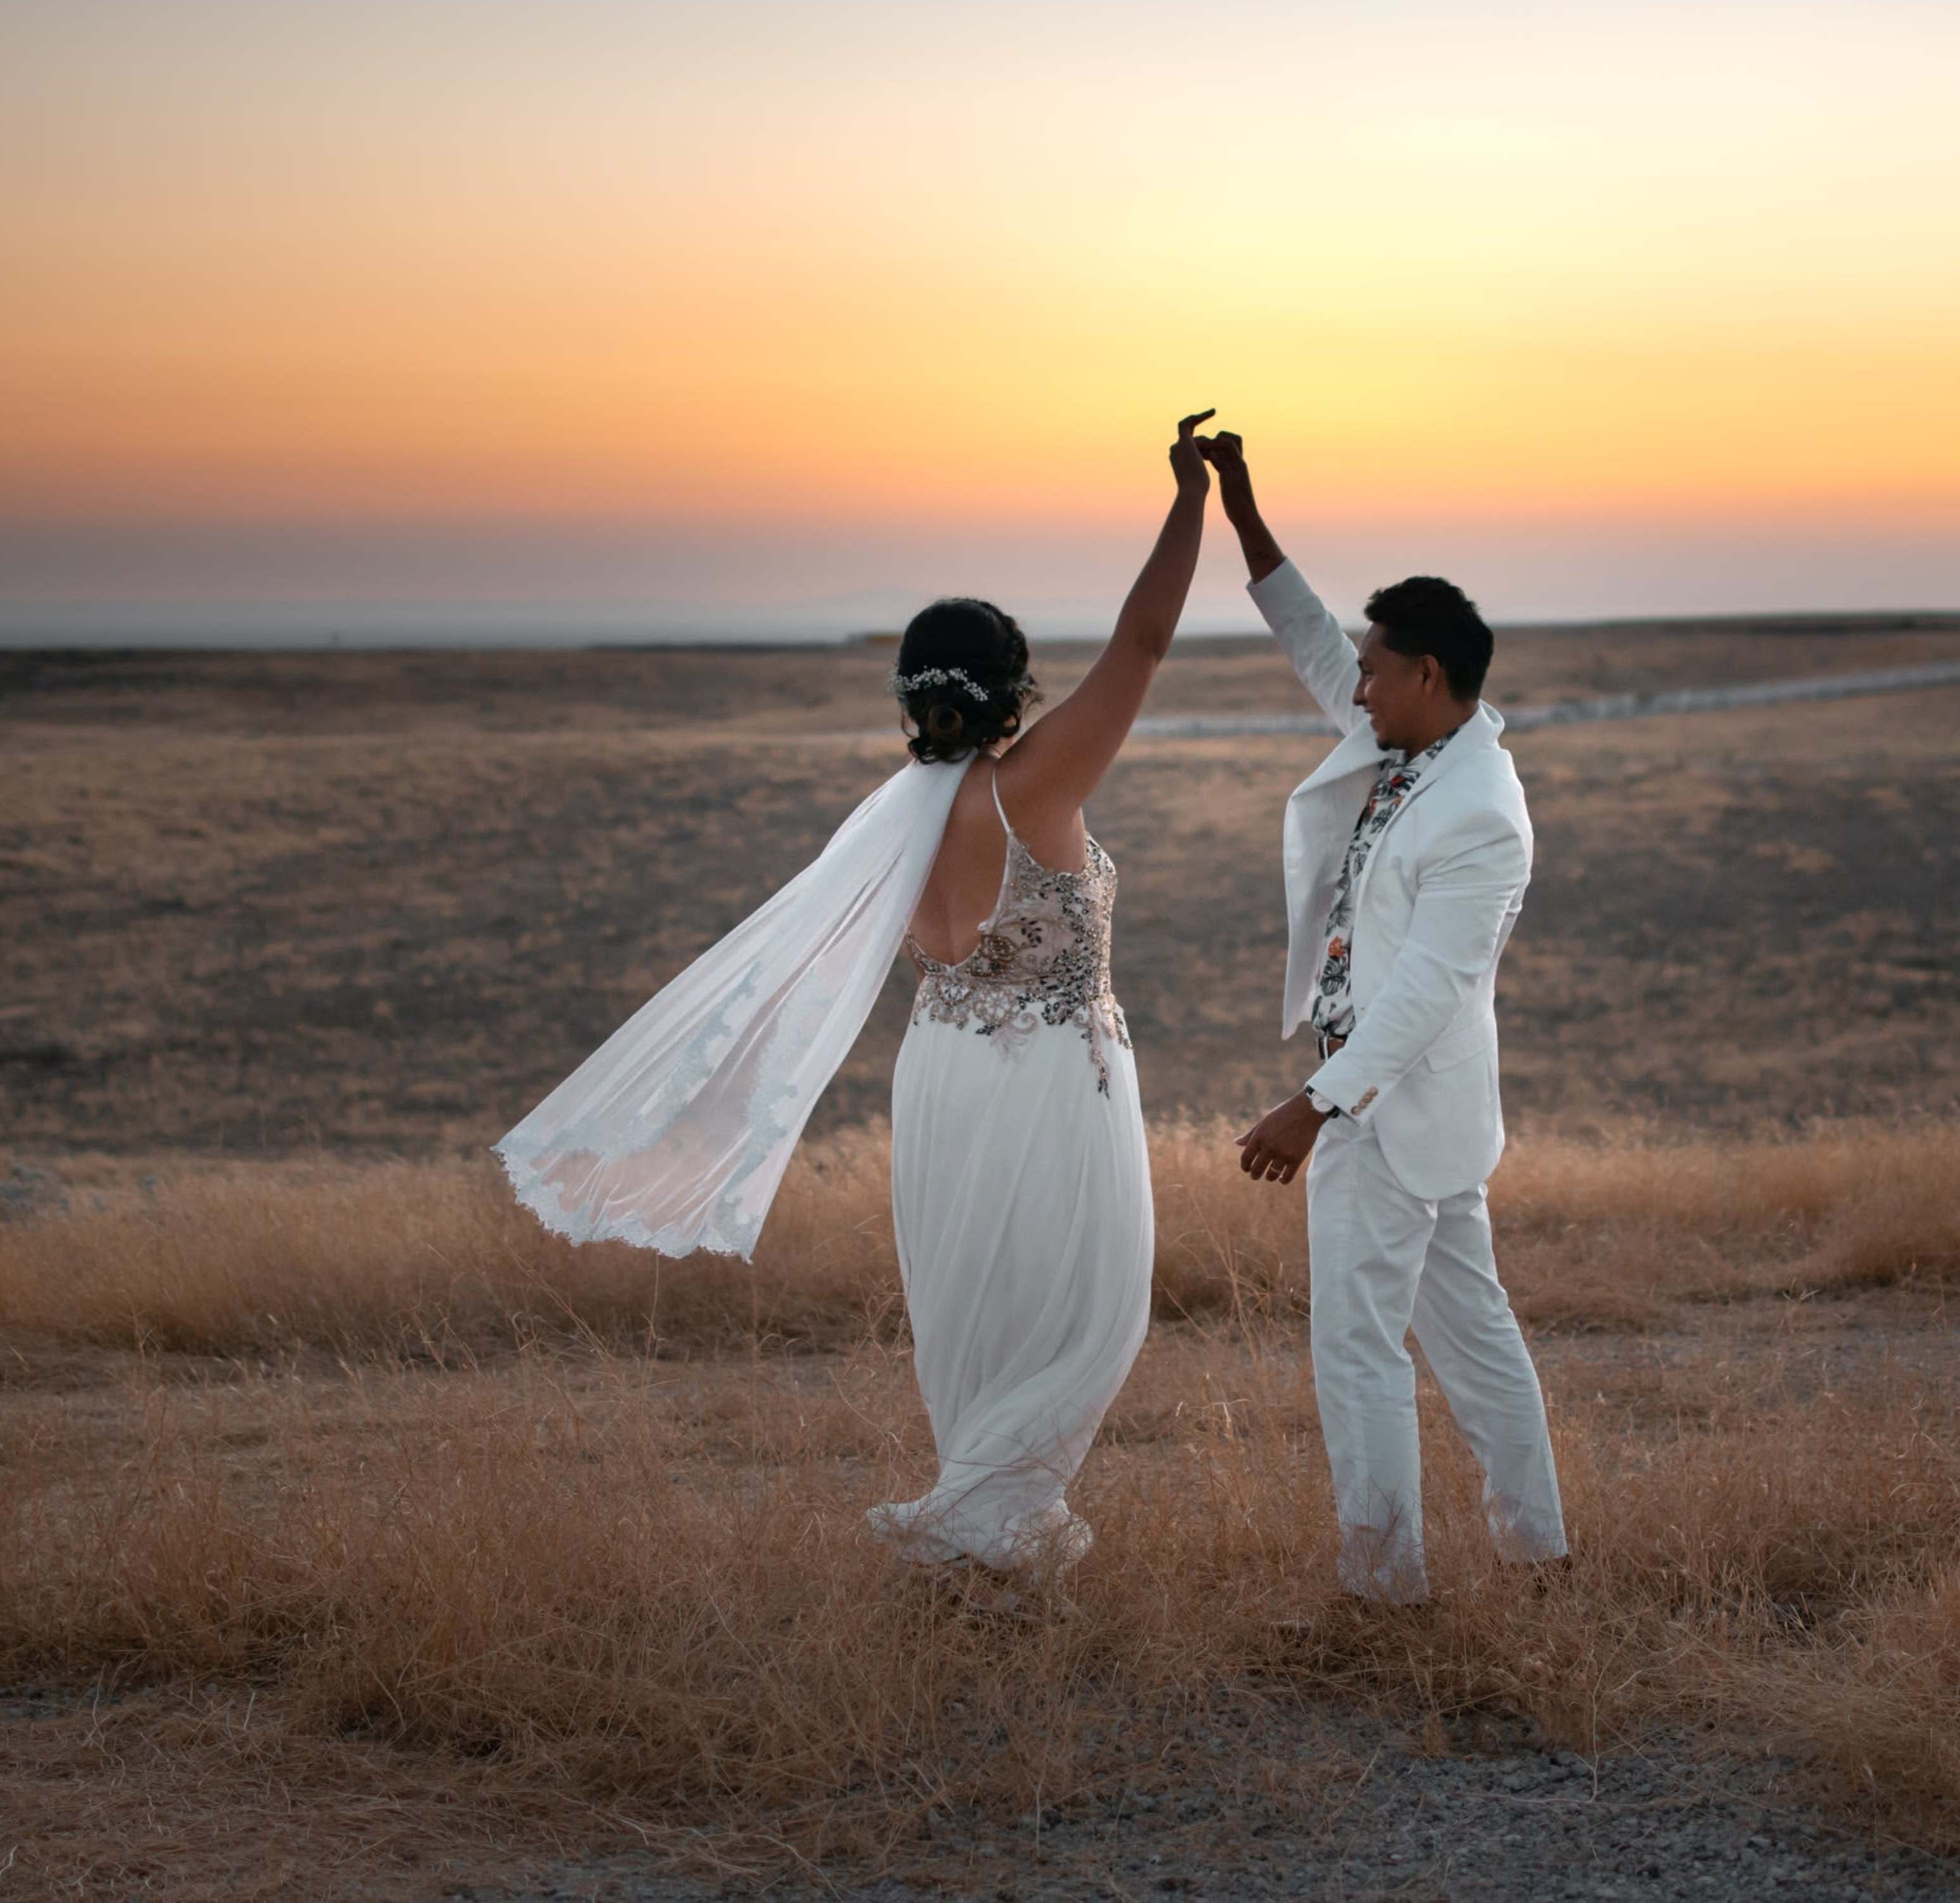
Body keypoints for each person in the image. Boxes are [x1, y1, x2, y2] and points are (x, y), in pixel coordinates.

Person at [499, 411, 1215, 1590]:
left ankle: (998, 1534)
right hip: (1044, 1077)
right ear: (1013, 690)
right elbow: (1140, 647)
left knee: (979, 1314)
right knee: (1089, 1311)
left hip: (940, 1075)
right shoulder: (1032, 790)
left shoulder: (898, 816)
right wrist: (1190, 498)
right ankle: (983, 1523)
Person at [1202, 428, 1567, 1605]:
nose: (1352, 687)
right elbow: (1310, 637)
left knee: (1360, 1350)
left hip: (1384, 1108)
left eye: (1374, 670)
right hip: (1400, 1112)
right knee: (1475, 1342)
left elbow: (1428, 992)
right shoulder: (1402, 737)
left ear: (1429, 676)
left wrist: (1314, 1107)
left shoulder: (1483, 816)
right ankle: (1540, 1558)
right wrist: (1242, 511)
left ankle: (1384, 1593)